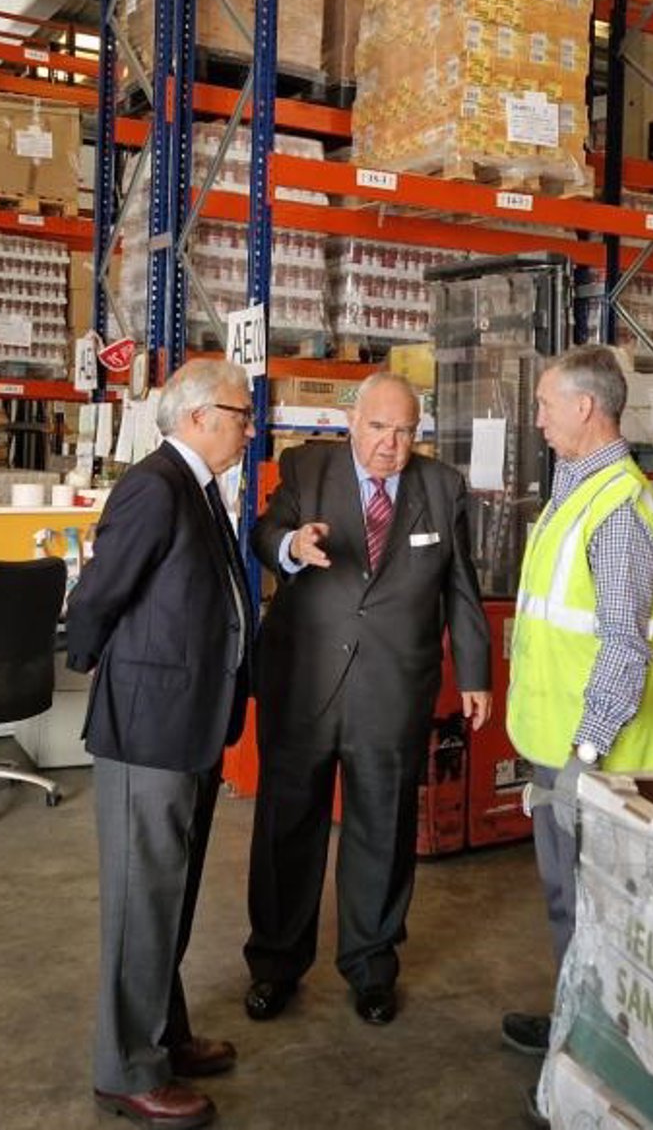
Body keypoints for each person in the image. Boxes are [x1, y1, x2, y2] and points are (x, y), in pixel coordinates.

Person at [243, 371, 490, 1027]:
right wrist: (291, 546)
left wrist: (475, 674)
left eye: (405, 431)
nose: (391, 444)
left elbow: (460, 587)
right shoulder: (307, 469)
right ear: (353, 422)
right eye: (379, 427)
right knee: (287, 826)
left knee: (382, 827)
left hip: (392, 687)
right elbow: (264, 533)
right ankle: (275, 963)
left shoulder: (441, 487)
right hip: (305, 684)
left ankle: (372, 965)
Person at [65, 359, 257, 1130]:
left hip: (189, 725)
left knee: (167, 896)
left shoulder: (197, 488)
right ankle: (127, 1069)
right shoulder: (155, 486)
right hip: (149, 729)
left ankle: (163, 1032)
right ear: (199, 416)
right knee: (140, 903)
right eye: (241, 414)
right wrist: (101, 664)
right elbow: (97, 595)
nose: (250, 427)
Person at [498, 345, 653, 1070]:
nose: (537, 419)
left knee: (598, 909)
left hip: (597, 761)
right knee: (568, 900)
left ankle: (602, 1059)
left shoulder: (619, 509)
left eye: (545, 405)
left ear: (584, 406)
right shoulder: (574, 490)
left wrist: (585, 755)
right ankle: (576, 1023)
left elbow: (624, 645)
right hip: (559, 747)